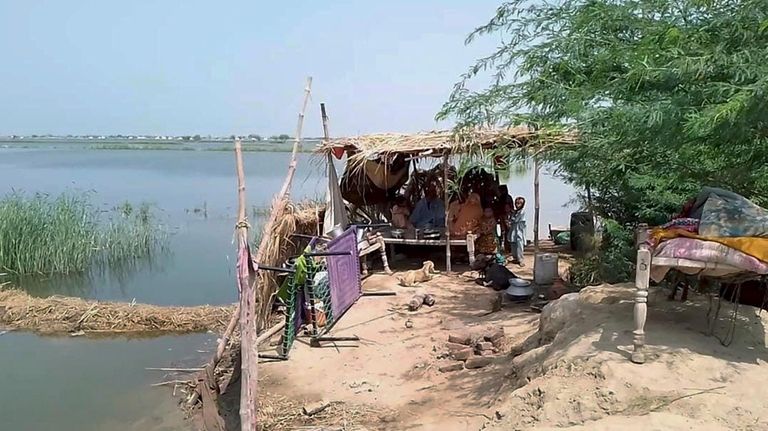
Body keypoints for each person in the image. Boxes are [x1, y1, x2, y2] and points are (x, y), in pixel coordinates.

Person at [493, 185, 514, 252]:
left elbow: (506, 207)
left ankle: (508, 247)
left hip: (505, 215)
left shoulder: (504, 197)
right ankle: (507, 247)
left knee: (506, 231)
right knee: (506, 232)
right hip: (505, 215)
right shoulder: (507, 197)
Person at [508, 196, 527, 266]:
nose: (517, 205)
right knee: (513, 243)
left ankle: (520, 259)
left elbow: (516, 219)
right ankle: (515, 257)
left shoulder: (522, 212)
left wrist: (511, 219)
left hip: (519, 229)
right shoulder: (515, 211)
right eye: (516, 203)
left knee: (519, 244)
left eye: (520, 203)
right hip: (513, 228)